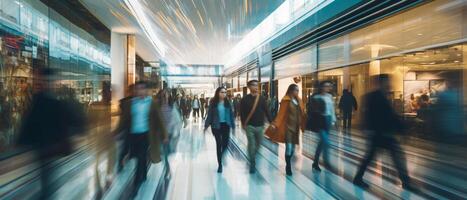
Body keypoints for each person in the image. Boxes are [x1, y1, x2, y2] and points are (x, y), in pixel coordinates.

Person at [18, 68, 85, 199]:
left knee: (46, 180)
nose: (49, 83)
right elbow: (30, 123)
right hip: (44, 148)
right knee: (46, 181)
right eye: (46, 81)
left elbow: (73, 120)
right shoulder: (43, 100)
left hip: (49, 148)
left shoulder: (54, 100)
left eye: (51, 81)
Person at [353, 74, 412, 190]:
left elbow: (391, 116)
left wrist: (401, 130)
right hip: (379, 134)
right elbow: (369, 115)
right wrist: (367, 129)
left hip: (383, 134)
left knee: (392, 157)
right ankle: (406, 182)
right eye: (387, 82)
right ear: (380, 83)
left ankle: (406, 182)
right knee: (375, 157)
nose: (389, 84)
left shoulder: (382, 96)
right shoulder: (373, 97)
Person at [114, 81, 168, 193]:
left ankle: (136, 182)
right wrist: (116, 132)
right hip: (132, 135)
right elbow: (123, 120)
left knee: (141, 156)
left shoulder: (152, 103)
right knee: (137, 157)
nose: (139, 91)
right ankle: (142, 174)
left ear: (146, 90)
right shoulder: (130, 103)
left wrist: (165, 135)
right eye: (137, 89)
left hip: (146, 135)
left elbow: (160, 119)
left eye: (142, 89)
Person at [266, 84, 305, 176]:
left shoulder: (299, 100)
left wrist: (304, 123)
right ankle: (288, 166)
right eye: (296, 90)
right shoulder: (286, 100)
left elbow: (302, 113)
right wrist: (275, 124)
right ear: (291, 90)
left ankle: (288, 162)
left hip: (296, 129)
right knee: (289, 148)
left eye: (298, 90)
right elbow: (281, 114)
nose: (297, 92)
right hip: (287, 128)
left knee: (292, 150)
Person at [240, 80, 272, 173]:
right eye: (254, 85)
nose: (256, 87)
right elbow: (242, 113)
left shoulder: (261, 99)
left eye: (257, 85)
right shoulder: (245, 99)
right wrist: (243, 124)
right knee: (251, 144)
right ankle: (252, 162)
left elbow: (267, 111)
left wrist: (271, 122)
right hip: (249, 126)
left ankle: (252, 155)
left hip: (260, 126)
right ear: (249, 87)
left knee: (258, 144)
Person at [204, 87, 235, 173]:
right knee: (219, 144)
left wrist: (233, 125)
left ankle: (222, 154)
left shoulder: (228, 103)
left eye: (225, 92)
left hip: (226, 126)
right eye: (222, 92)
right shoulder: (213, 103)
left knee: (225, 144)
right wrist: (206, 125)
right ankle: (220, 165)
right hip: (216, 126)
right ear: (218, 93)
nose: (224, 94)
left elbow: (231, 115)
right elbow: (209, 115)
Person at [310, 81, 336, 172]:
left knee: (321, 143)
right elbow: (313, 111)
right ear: (321, 87)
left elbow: (332, 110)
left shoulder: (329, 97)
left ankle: (315, 162)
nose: (328, 88)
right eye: (326, 86)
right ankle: (326, 163)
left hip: (328, 120)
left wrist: (333, 120)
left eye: (329, 86)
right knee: (326, 142)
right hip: (320, 121)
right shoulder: (316, 97)